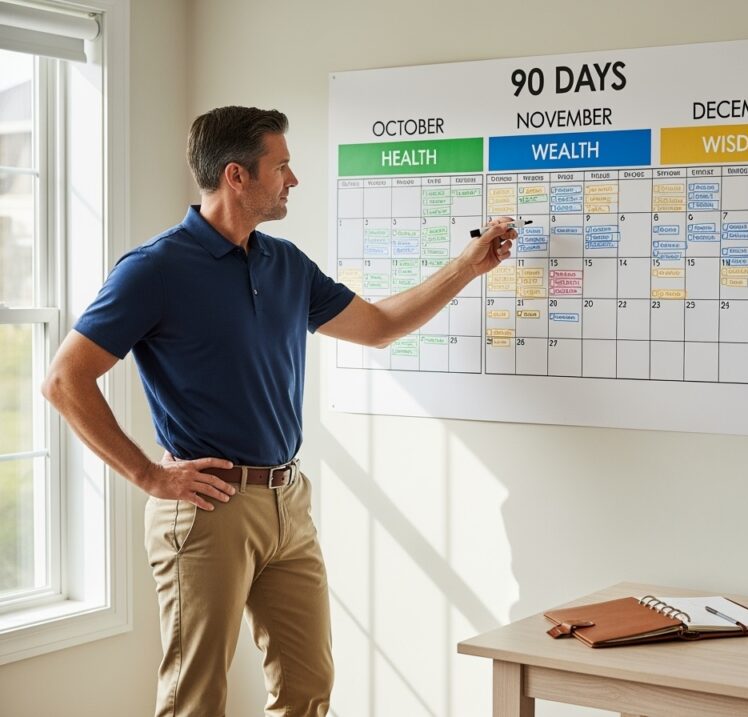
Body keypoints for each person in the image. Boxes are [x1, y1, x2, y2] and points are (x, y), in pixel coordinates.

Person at [41, 106, 516, 717]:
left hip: (287, 501)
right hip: (206, 510)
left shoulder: (284, 263)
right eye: (282, 166)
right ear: (237, 176)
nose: (293, 180)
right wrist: (150, 477)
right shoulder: (154, 269)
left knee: (308, 686)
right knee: (197, 697)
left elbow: (379, 327)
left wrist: (466, 266)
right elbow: (64, 380)